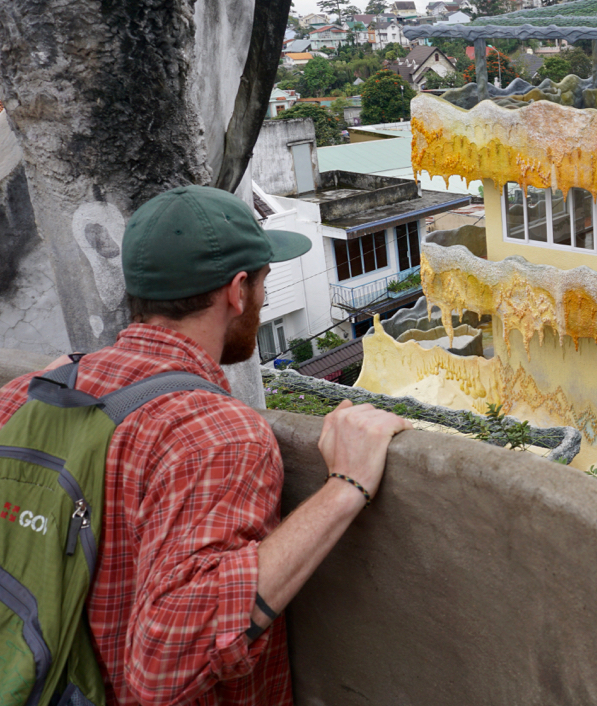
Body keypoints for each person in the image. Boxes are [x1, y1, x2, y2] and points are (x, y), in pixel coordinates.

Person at [0, 185, 411, 706]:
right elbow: (164, 667)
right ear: (238, 291)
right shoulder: (217, 435)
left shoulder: (26, 395)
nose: (262, 301)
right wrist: (344, 487)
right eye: (263, 283)